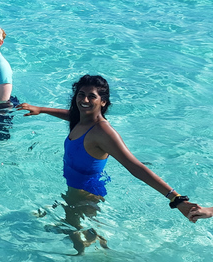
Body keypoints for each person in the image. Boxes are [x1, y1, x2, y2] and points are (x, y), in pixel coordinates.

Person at [17, 75, 197, 252]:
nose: (84, 100)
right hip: (76, 190)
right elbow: (71, 115)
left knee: (77, 236)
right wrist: (41, 109)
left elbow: (135, 167)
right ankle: (92, 248)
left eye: (92, 96)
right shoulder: (82, 119)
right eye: (81, 94)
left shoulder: (103, 132)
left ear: (103, 102)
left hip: (84, 195)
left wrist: (176, 198)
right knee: (75, 227)